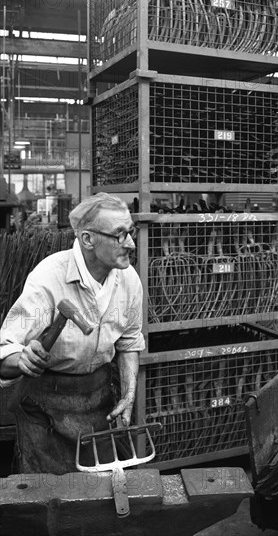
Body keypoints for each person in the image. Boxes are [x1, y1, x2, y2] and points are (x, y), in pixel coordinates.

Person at [0, 192, 144, 474]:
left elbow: (129, 344)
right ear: (88, 239)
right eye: (119, 235)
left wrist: (128, 394)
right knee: (49, 498)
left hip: (97, 401)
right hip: (45, 407)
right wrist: (21, 359)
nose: (131, 243)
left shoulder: (128, 279)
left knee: (101, 496)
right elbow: (5, 349)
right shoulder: (49, 278)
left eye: (131, 232)